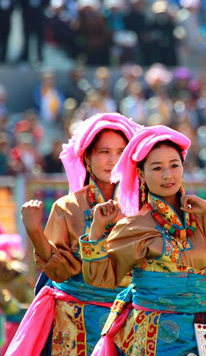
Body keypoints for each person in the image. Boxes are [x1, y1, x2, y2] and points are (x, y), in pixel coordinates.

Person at [80, 126, 206, 356]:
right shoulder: (135, 226)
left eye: (174, 165)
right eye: (157, 168)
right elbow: (99, 277)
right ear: (141, 174)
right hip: (155, 335)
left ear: (183, 167)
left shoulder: (199, 215)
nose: (167, 175)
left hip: (203, 329)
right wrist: (97, 229)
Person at [7, 113, 139, 355]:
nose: (113, 160)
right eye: (104, 152)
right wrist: (35, 232)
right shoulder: (67, 207)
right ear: (87, 157)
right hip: (75, 321)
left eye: (121, 152)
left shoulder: (141, 207)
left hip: (128, 320)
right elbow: (57, 270)